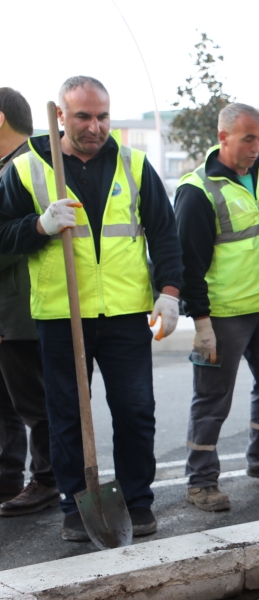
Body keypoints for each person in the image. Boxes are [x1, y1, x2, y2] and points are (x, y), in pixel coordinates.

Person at [0, 76, 183, 540]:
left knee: (136, 411)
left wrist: (170, 292)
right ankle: (73, 506)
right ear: (61, 116)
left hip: (124, 313)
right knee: (66, 417)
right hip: (63, 316)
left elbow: (164, 233)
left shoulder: (134, 165)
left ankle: (138, 503)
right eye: (83, 116)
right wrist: (37, 226)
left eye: (103, 116)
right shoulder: (27, 170)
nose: (95, 127)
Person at [174, 103, 259, 512]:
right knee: (212, 399)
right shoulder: (197, 190)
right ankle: (201, 481)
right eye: (248, 138)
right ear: (223, 138)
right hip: (222, 316)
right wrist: (201, 324)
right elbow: (189, 266)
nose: (257, 147)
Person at [0, 88, 59, 517]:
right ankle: (8, 478)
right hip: (10, 309)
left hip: (23, 309)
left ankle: (47, 480)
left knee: (35, 404)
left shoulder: (26, 168)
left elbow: (14, 240)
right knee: (8, 403)